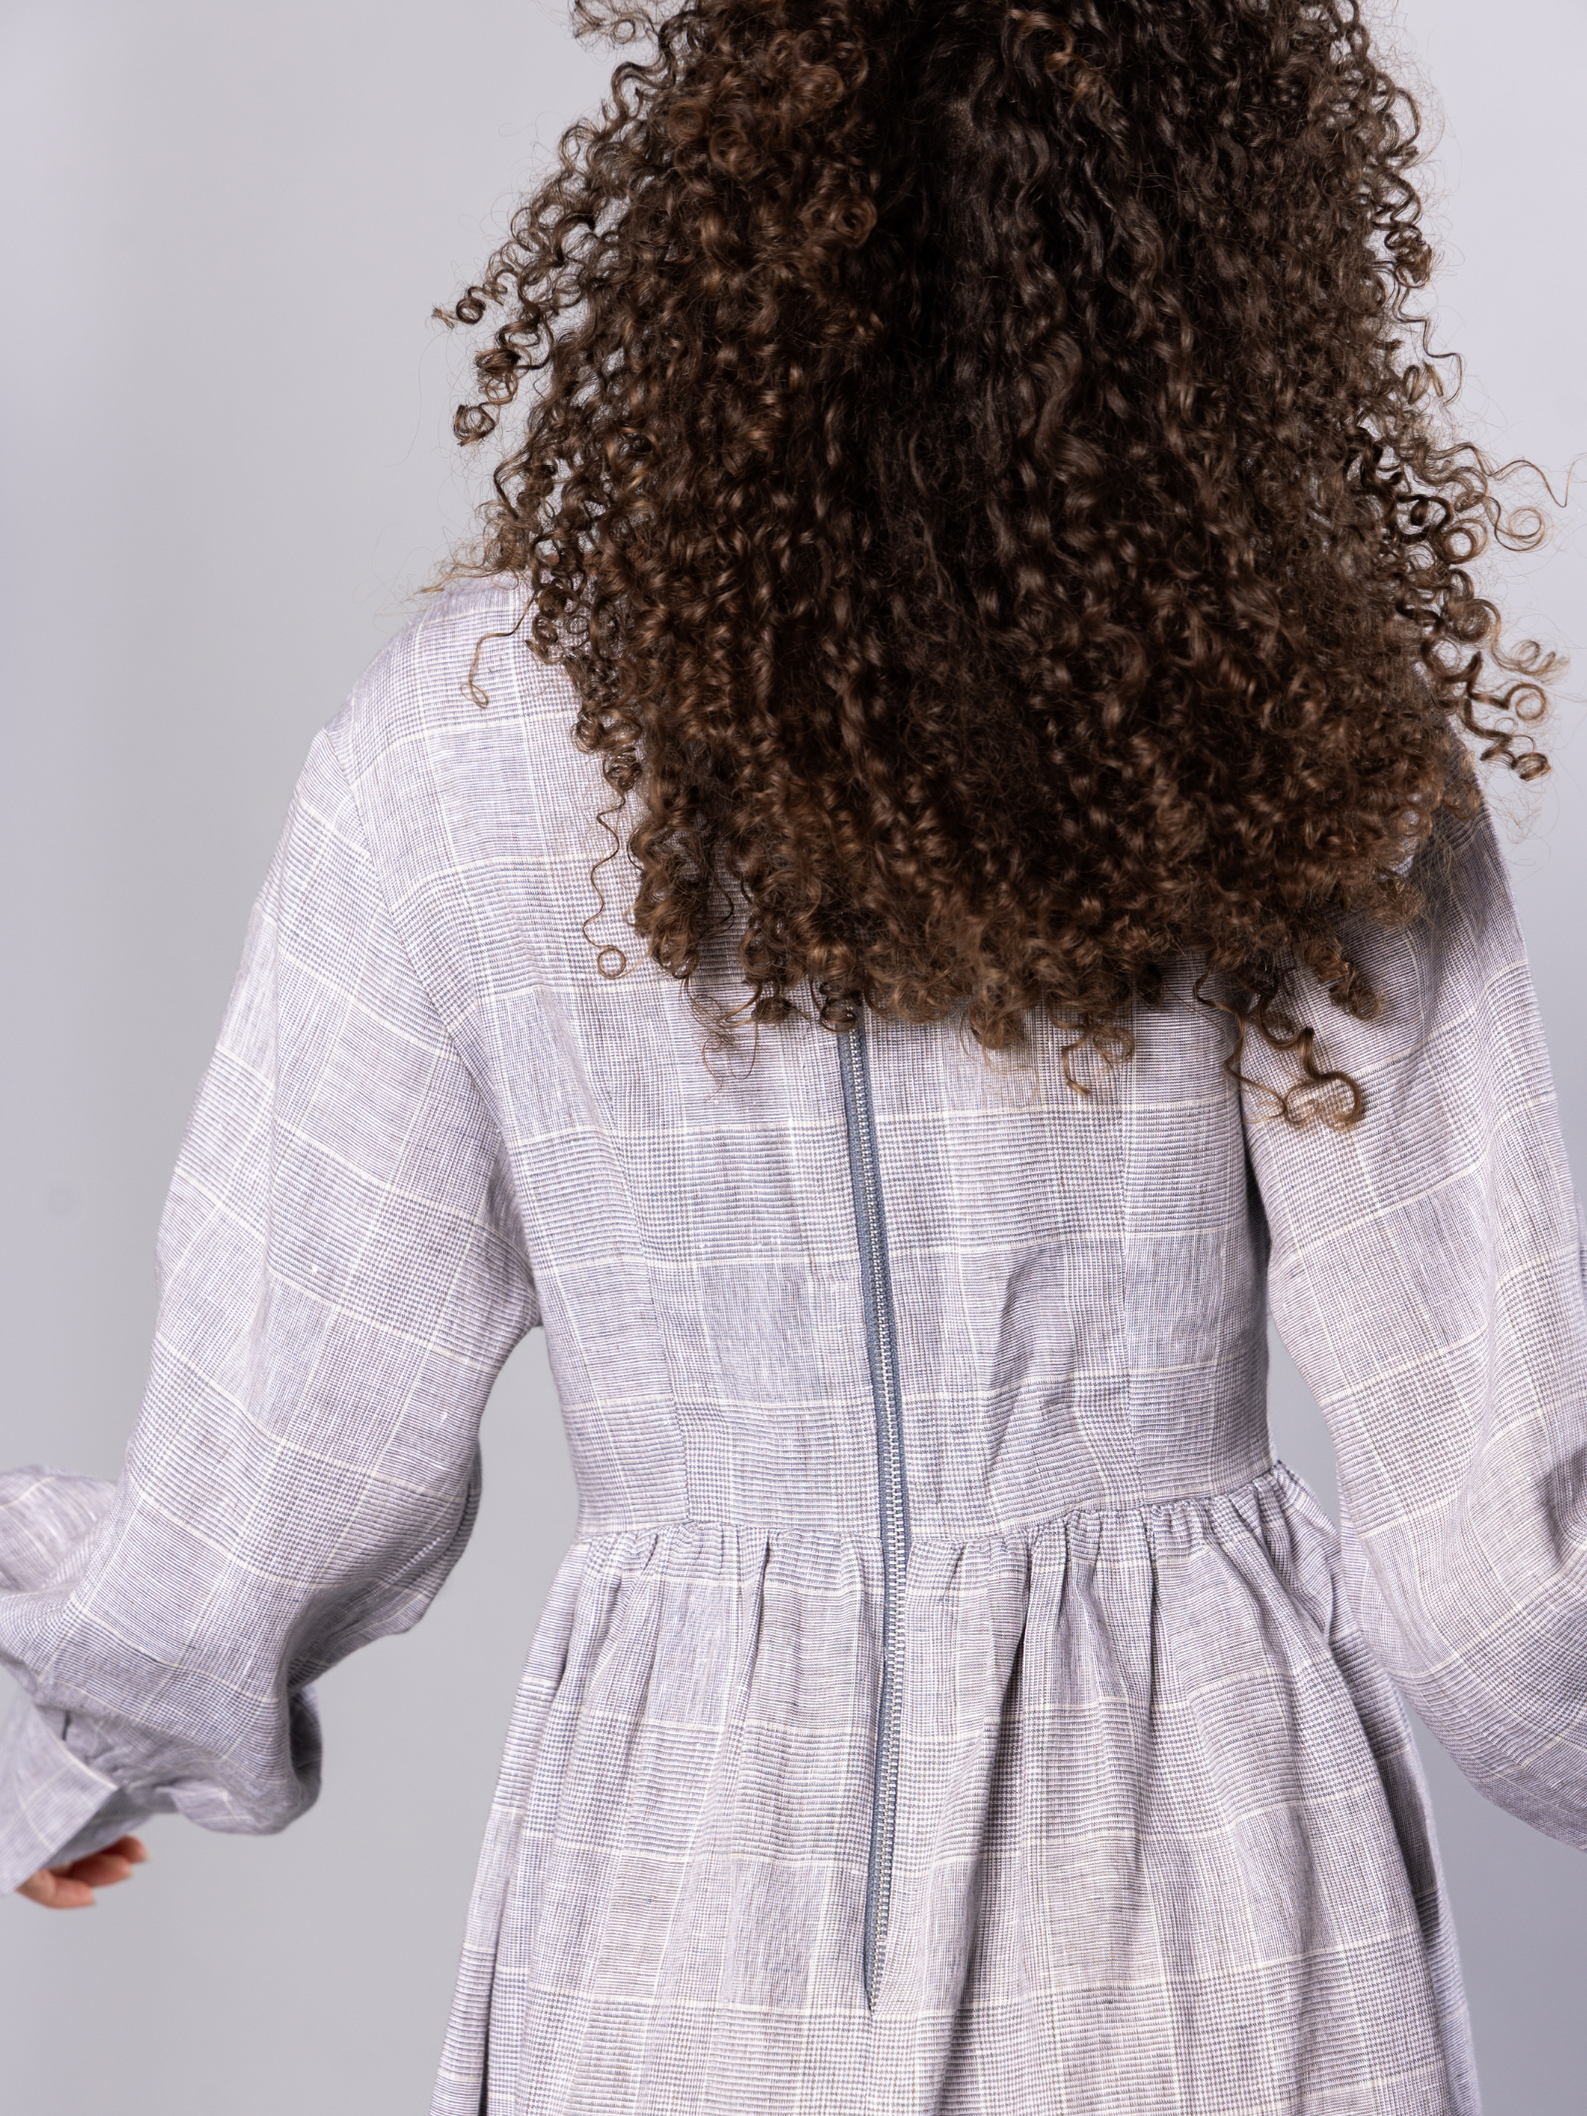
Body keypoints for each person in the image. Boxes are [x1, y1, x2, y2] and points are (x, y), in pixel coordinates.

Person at [2, 1, 1581, 2110]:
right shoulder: (1279, 724)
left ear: (713, 215)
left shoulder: (453, 744)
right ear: (1230, 243)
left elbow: (272, 1470)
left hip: (676, 1899)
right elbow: (1504, 1587)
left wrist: (74, 1748)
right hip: (1202, 1893)